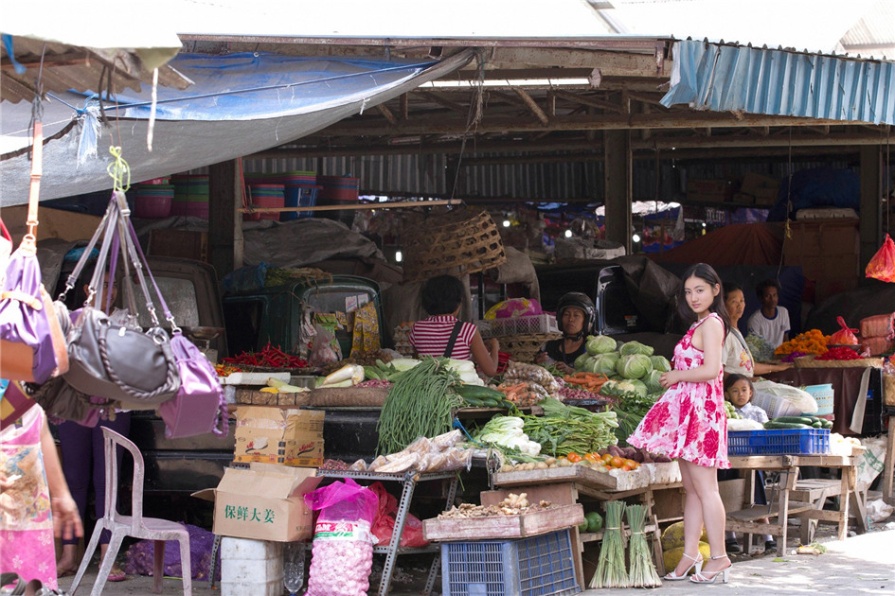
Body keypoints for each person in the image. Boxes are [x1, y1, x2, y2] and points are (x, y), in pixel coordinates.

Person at [627, 262, 732, 584]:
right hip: (691, 416)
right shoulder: (699, 324)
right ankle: (689, 554)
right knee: (691, 490)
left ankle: (719, 556)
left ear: (715, 290)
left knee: (706, 490)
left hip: (701, 416)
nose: (693, 297)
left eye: (700, 290)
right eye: (688, 292)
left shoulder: (712, 324)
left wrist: (676, 376)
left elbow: (712, 370)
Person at [53, 264, 132, 582]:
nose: (110, 290)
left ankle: (107, 556)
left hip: (115, 407)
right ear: (87, 287)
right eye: (103, 284)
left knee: (107, 483)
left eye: (114, 285)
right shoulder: (71, 319)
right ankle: (69, 554)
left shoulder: (127, 320)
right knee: (74, 482)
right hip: (75, 407)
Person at [1, 391, 84, 596]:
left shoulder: (28, 373)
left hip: (31, 503)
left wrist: (61, 493)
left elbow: (40, 426)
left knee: (31, 582)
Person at [720, 374, 776, 553]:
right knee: (723, 486)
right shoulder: (724, 411)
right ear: (727, 395)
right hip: (728, 461)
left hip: (752, 460)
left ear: (751, 393)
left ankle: (767, 536)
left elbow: (766, 436)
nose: (740, 394)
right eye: (735, 391)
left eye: (744, 390)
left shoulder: (758, 413)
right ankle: (730, 537)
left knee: (756, 482)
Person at [409, 274, 500, 376]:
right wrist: (495, 347)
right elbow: (491, 371)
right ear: (458, 303)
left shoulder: (417, 329)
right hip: (459, 389)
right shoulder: (467, 330)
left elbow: (420, 363)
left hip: (429, 390)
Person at [723, 282, 792, 377]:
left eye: (742, 301)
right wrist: (743, 382)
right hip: (739, 388)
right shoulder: (723, 334)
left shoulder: (736, 332)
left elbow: (750, 367)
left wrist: (776, 367)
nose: (740, 306)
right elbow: (719, 373)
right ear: (722, 305)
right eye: (734, 302)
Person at [535, 292, 596, 374]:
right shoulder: (548, 346)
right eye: (566, 314)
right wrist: (538, 364)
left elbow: (597, 376)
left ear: (587, 320)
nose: (571, 319)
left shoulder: (591, 348)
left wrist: (572, 372)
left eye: (576, 315)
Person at [746, 279, 790, 349]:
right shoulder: (754, 320)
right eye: (768, 296)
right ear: (761, 298)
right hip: (763, 358)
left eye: (774, 295)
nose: (772, 299)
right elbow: (755, 348)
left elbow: (785, 338)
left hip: (780, 356)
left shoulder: (783, 312)